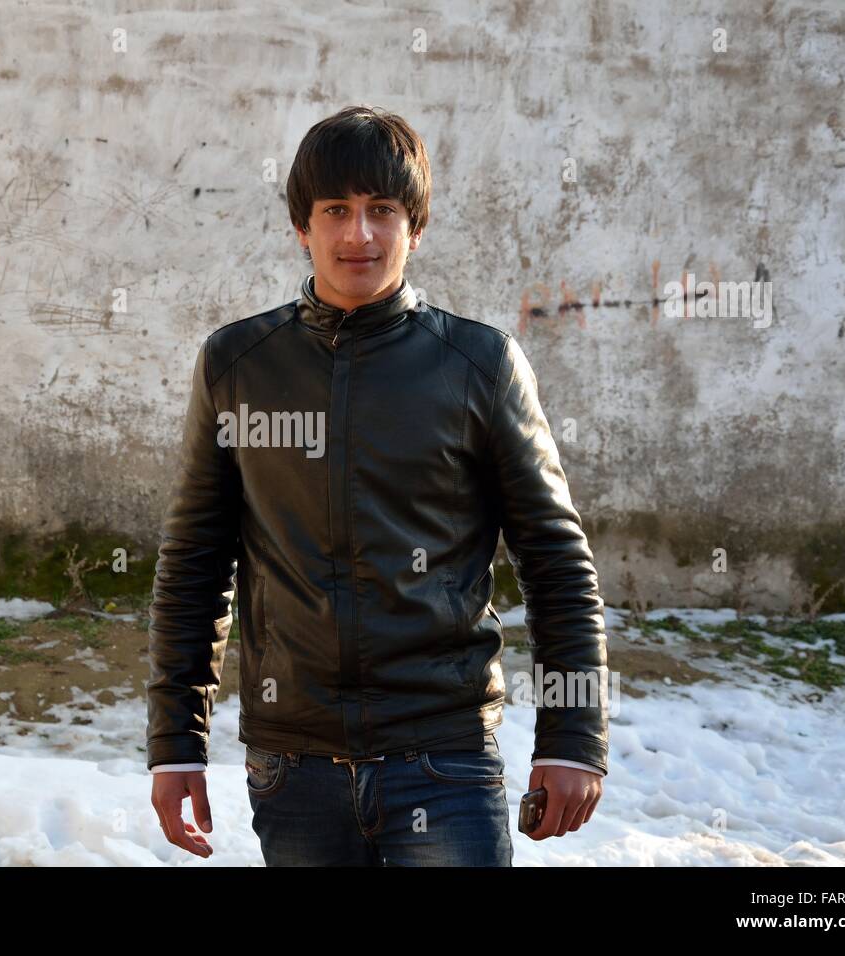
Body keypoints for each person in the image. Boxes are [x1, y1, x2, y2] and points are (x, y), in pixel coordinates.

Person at [146, 105, 608, 866]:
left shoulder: (480, 366)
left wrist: (575, 738)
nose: (358, 234)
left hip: (444, 761)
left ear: (415, 227)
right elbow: (195, 564)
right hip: (291, 769)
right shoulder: (237, 365)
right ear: (303, 226)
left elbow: (559, 565)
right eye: (336, 211)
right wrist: (174, 744)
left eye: (382, 211)